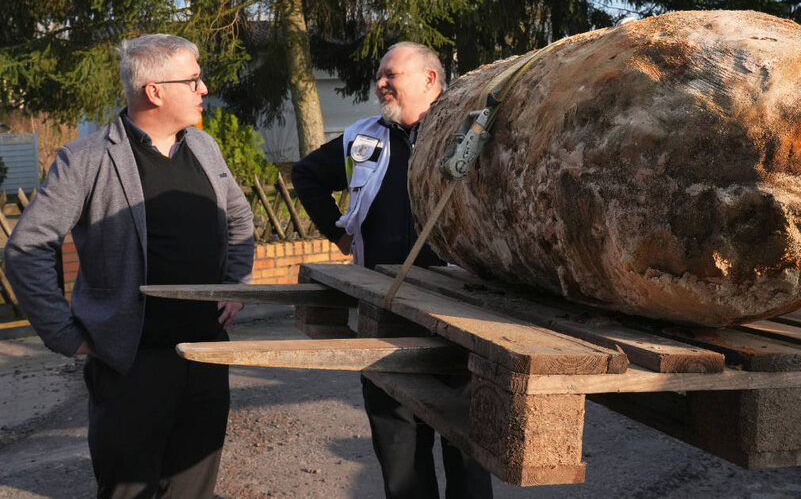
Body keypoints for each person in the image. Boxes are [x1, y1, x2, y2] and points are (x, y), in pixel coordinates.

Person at [4, 34, 255, 498]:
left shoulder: (204, 148)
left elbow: (239, 217)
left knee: (193, 488)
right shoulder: (86, 159)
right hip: (131, 367)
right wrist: (64, 333)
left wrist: (236, 282)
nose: (204, 89)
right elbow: (26, 248)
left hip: (205, 355)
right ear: (155, 91)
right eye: (194, 79)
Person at [292, 42, 493, 499]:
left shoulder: (469, 136)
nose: (380, 82)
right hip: (383, 314)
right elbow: (306, 174)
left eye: (391, 74)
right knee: (399, 451)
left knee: (467, 453)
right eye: (379, 74)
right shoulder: (362, 137)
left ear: (429, 80)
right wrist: (338, 234)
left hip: (459, 316)